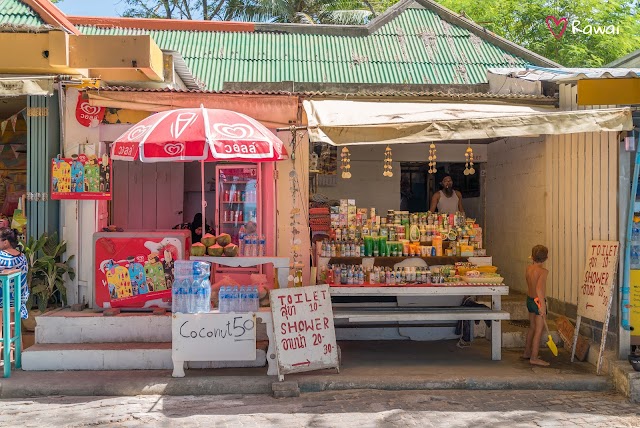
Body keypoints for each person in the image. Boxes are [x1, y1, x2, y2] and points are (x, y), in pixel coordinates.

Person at [523, 245, 550, 367]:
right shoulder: (543, 272)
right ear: (546, 258)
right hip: (538, 301)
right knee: (539, 330)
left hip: (529, 300)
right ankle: (534, 357)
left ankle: (527, 352)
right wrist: (542, 306)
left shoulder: (528, 268)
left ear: (532, 257)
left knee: (532, 327)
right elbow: (539, 289)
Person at [0, 228, 29, 321]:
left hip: (3, 300)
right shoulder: (22, 257)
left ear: (5, 242)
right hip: (19, 300)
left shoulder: (1, 256)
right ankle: (12, 333)